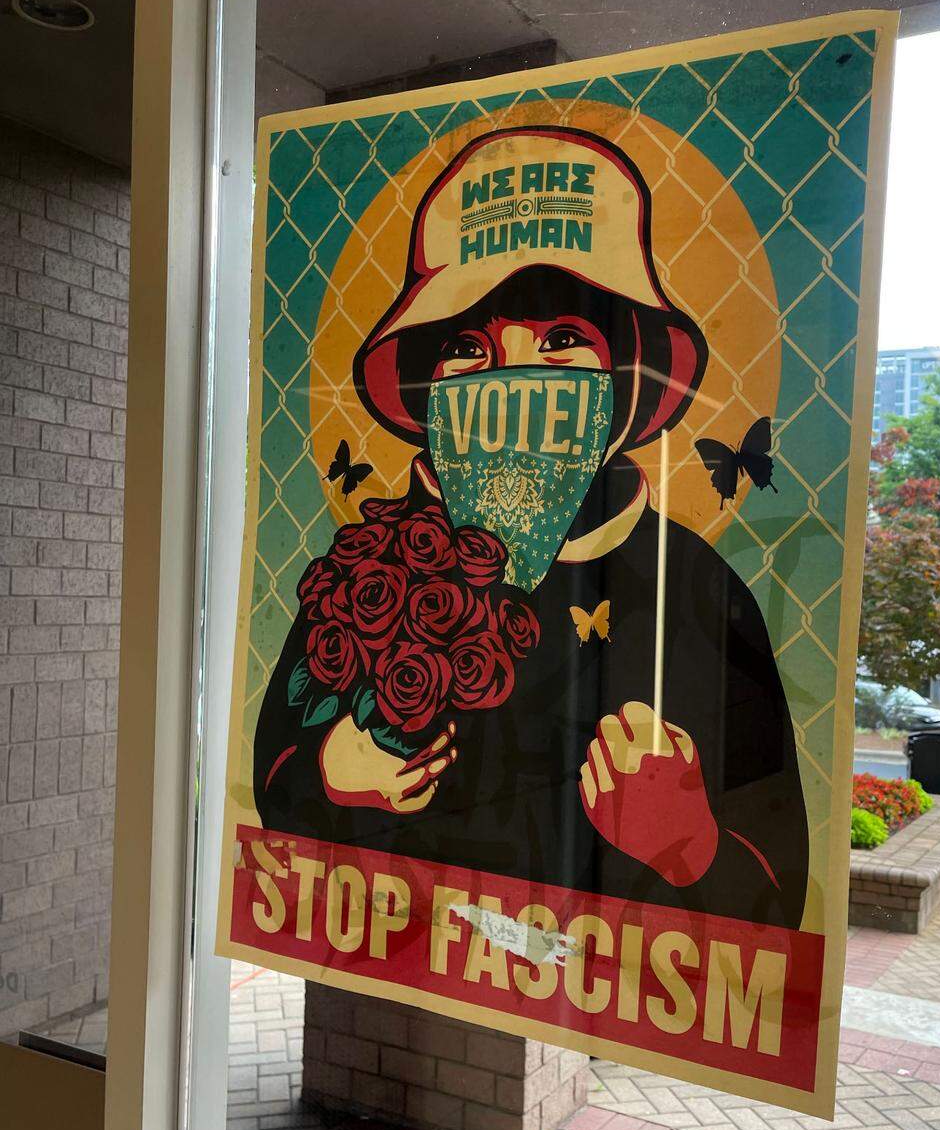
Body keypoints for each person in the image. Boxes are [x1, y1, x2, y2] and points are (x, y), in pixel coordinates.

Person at [254, 126, 810, 931]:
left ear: (624, 385)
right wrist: (331, 771)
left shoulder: (696, 587)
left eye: (560, 341)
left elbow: (774, 897)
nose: (511, 376)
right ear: (424, 389)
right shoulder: (369, 567)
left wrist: (689, 846)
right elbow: (276, 772)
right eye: (468, 348)